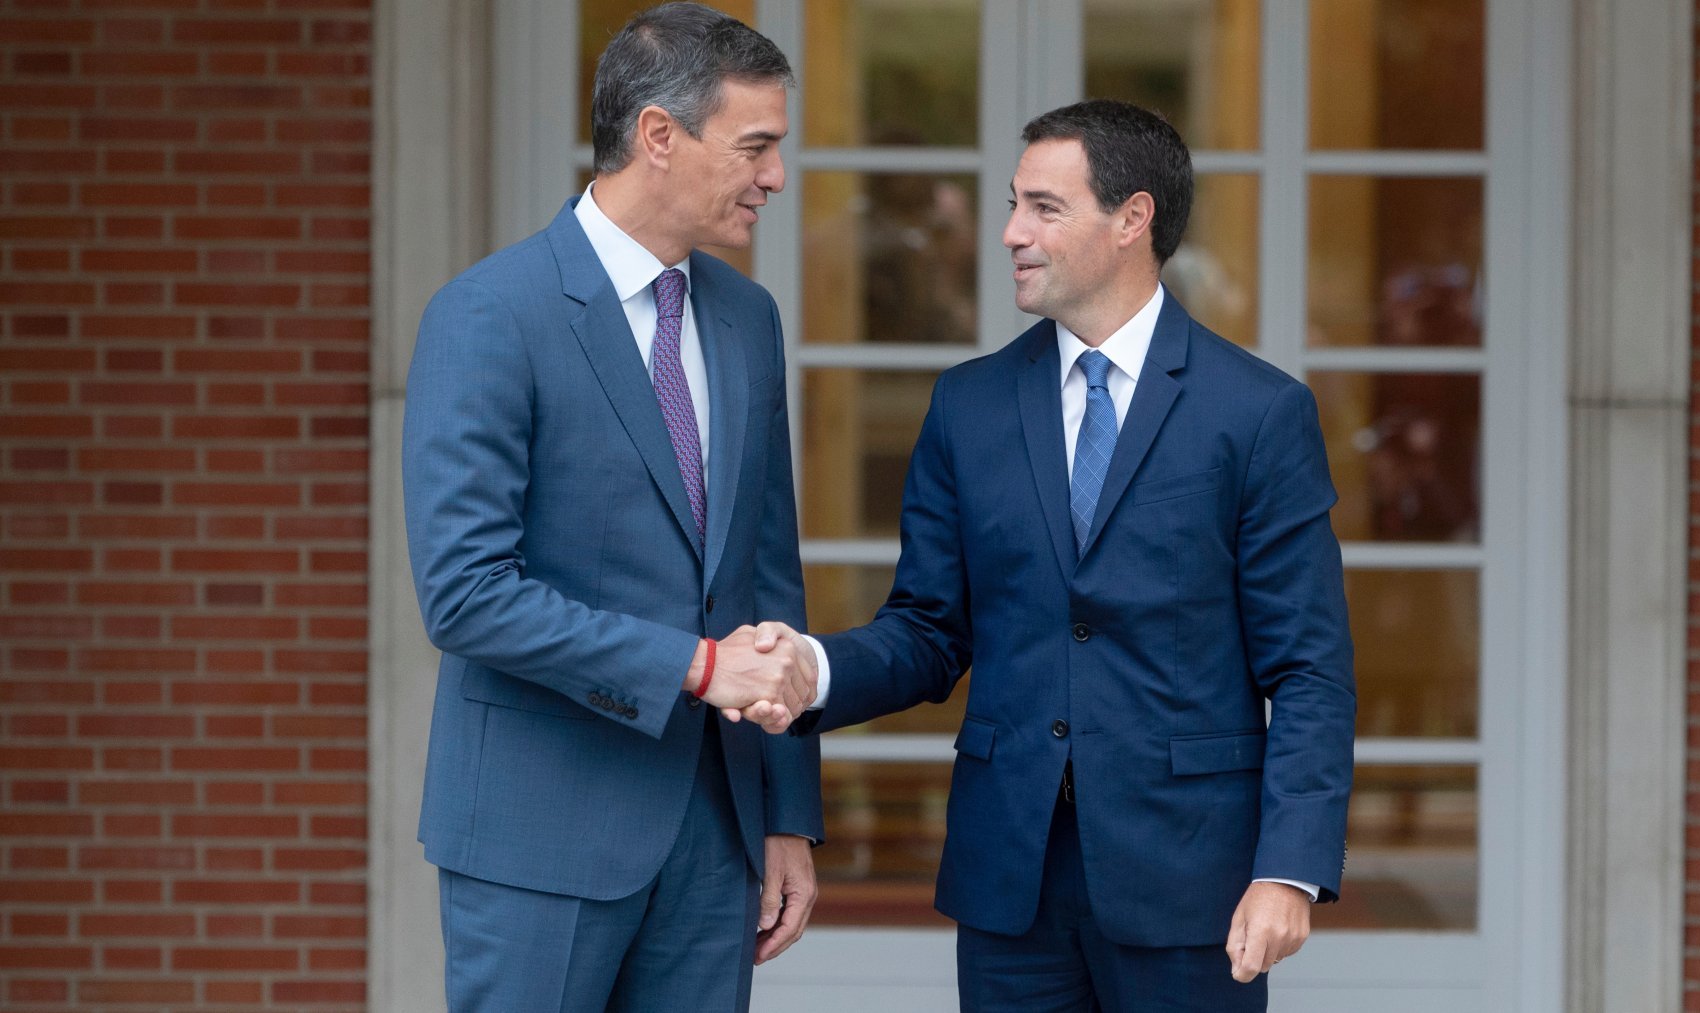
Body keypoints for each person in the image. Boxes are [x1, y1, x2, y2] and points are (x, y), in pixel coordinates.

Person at [759, 99, 1356, 1011]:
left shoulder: (1258, 413)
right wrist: (814, 668)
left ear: (1132, 219)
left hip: (1194, 881)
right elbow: (927, 629)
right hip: (1012, 882)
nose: (1008, 233)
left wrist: (1291, 867)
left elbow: (1310, 667)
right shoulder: (968, 406)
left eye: (1043, 207)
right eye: (1012, 204)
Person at [401, 5, 820, 1009]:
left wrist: (787, 812)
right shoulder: (491, 313)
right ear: (659, 137)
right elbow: (464, 593)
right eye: (755, 146)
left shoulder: (749, 320)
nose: (774, 177)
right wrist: (697, 665)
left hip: (717, 838)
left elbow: (767, 576)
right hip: (538, 833)